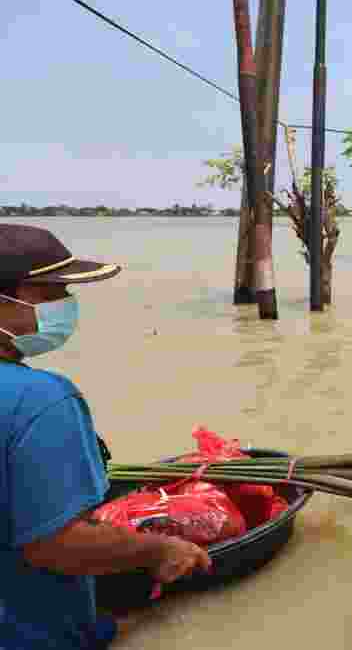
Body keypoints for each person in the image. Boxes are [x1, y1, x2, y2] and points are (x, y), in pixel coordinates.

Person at [1, 224, 212, 649]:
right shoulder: (39, 399)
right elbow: (55, 546)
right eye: (50, 292)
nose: (66, 304)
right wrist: (160, 550)